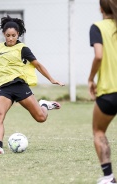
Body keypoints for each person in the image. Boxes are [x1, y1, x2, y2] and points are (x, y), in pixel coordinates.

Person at [0, 15, 64, 154]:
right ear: (3, 35)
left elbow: (37, 65)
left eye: (13, 35)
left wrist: (51, 79)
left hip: (19, 86)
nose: (11, 38)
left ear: (18, 34)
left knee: (41, 118)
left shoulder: (23, 49)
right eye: (8, 35)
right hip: (4, 89)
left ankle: (44, 105)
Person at [88, 0, 117, 183]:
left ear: (100, 8)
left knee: (99, 131)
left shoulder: (97, 27)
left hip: (109, 91)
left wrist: (91, 78)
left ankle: (108, 178)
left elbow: (99, 55)